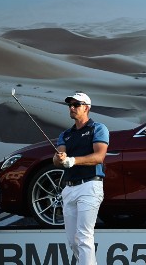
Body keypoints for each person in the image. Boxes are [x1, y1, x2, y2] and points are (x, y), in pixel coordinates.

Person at [53, 92, 109, 265]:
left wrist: (73, 160)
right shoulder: (66, 134)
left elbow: (99, 156)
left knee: (84, 236)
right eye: (70, 105)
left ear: (86, 107)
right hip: (69, 188)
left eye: (76, 104)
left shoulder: (98, 128)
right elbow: (56, 160)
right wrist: (60, 158)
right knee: (73, 240)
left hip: (90, 185)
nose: (72, 108)